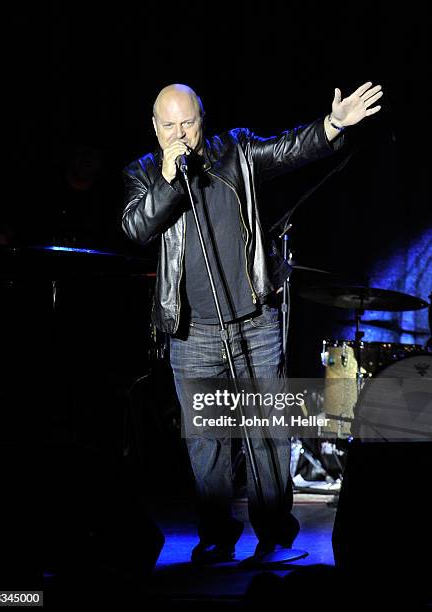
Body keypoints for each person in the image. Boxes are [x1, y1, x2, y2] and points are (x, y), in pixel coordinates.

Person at [122, 82, 383, 564]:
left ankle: (275, 535)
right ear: (154, 127)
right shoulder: (142, 172)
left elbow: (287, 149)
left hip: (254, 323)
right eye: (169, 126)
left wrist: (333, 125)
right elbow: (137, 228)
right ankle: (217, 536)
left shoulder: (234, 150)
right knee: (208, 446)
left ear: (203, 119)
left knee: (269, 435)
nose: (180, 135)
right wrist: (166, 177)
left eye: (189, 123)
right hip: (191, 330)